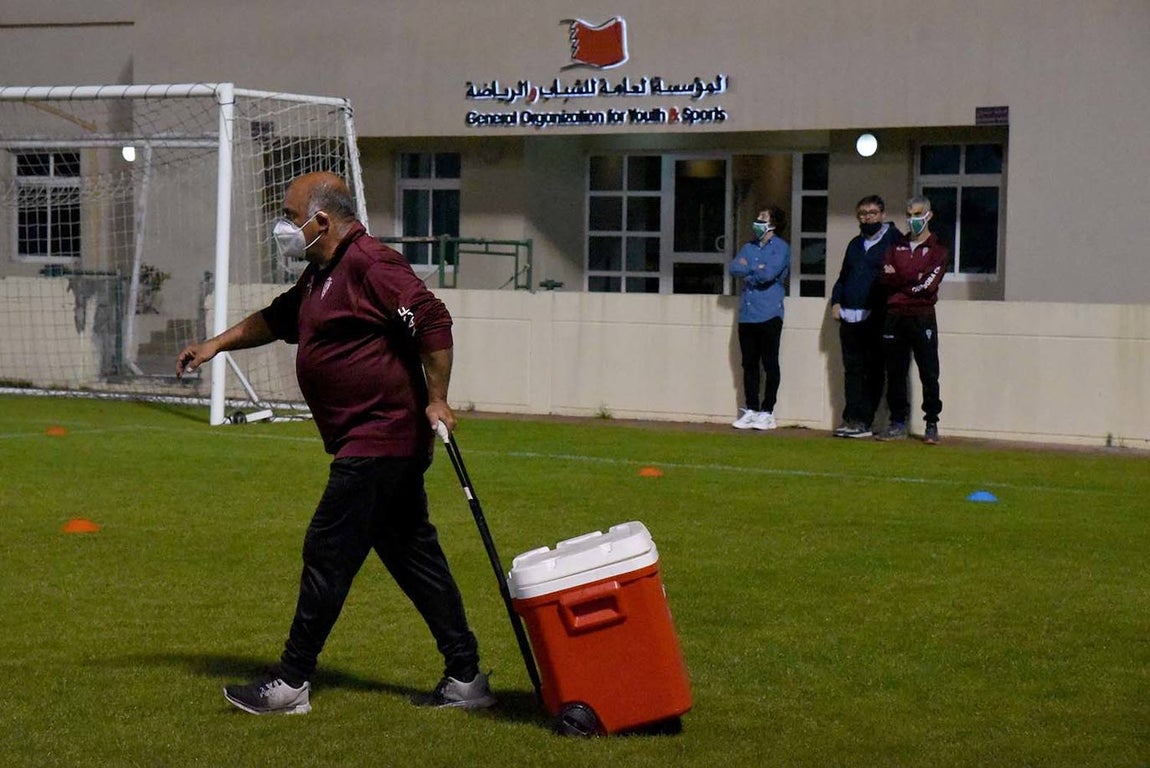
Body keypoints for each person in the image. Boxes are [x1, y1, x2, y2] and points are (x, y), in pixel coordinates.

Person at [176, 172, 495, 714]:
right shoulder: (324, 272)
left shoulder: (371, 264)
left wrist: (438, 397)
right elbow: (278, 318)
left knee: (327, 550)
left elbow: (433, 320)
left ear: (320, 220)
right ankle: (465, 677)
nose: (282, 225)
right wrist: (214, 345)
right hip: (373, 442)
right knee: (415, 559)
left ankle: (292, 681)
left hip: (379, 439)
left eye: (287, 213)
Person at [875, 194, 948, 444]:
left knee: (929, 371)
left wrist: (902, 281)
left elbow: (928, 286)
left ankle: (931, 423)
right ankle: (897, 422)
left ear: (929, 216)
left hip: (922, 316)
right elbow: (885, 277)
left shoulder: (938, 251)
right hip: (895, 316)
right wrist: (910, 279)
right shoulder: (895, 247)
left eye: (917, 214)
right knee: (895, 372)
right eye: (909, 215)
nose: (913, 220)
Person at [830, 195, 901, 438]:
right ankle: (851, 418)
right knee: (852, 370)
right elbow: (843, 276)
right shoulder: (854, 244)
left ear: (882, 214)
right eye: (862, 213)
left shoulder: (893, 240)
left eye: (871, 213)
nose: (867, 217)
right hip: (849, 317)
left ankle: (865, 421)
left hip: (876, 317)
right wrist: (836, 301)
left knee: (873, 370)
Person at [729, 206, 790, 431]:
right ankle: (751, 409)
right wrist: (755, 269)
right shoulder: (748, 247)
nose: (757, 222)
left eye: (762, 219)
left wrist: (751, 269)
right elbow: (734, 268)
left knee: (770, 362)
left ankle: (768, 411)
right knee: (749, 364)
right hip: (747, 314)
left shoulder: (781, 248)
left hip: (769, 313)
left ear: (773, 223)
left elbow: (768, 275)